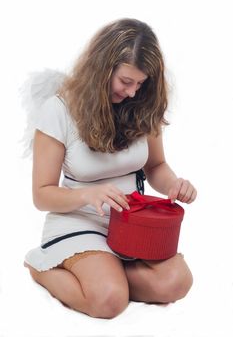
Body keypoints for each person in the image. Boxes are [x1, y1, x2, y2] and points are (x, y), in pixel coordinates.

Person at [23, 18, 197, 319]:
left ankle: (108, 273)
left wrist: (173, 184)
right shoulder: (59, 110)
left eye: (140, 83)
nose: (132, 92)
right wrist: (89, 195)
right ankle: (41, 266)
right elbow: (42, 195)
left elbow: (156, 165)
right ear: (102, 70)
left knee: (177, 283)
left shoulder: (142, 103)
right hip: (80, 222)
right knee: (109, 302)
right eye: (125, 81)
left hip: (132, 225)